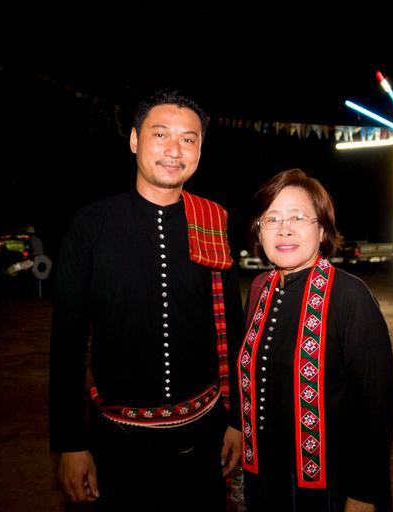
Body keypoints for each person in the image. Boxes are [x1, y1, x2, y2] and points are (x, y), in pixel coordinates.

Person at [49, 89, 244, 510]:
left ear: (200, 149)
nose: (174, 149)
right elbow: (67, 339)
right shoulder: (91, 225)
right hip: (118, 443)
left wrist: (236, 421)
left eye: (188, 139)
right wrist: (71, 443)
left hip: (205, 437)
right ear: (135, 140)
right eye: (161, 134)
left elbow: (233, 327)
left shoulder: (213, 221)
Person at [238, 169, 393, 512]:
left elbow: (376, 403)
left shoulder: (350, 295)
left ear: (322, 229)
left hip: (329, 489)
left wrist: (364, 493)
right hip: (263, 481)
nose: (284, 229)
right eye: (272, 219)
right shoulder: (259, 290)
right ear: (259, 231)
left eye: (298, 217)